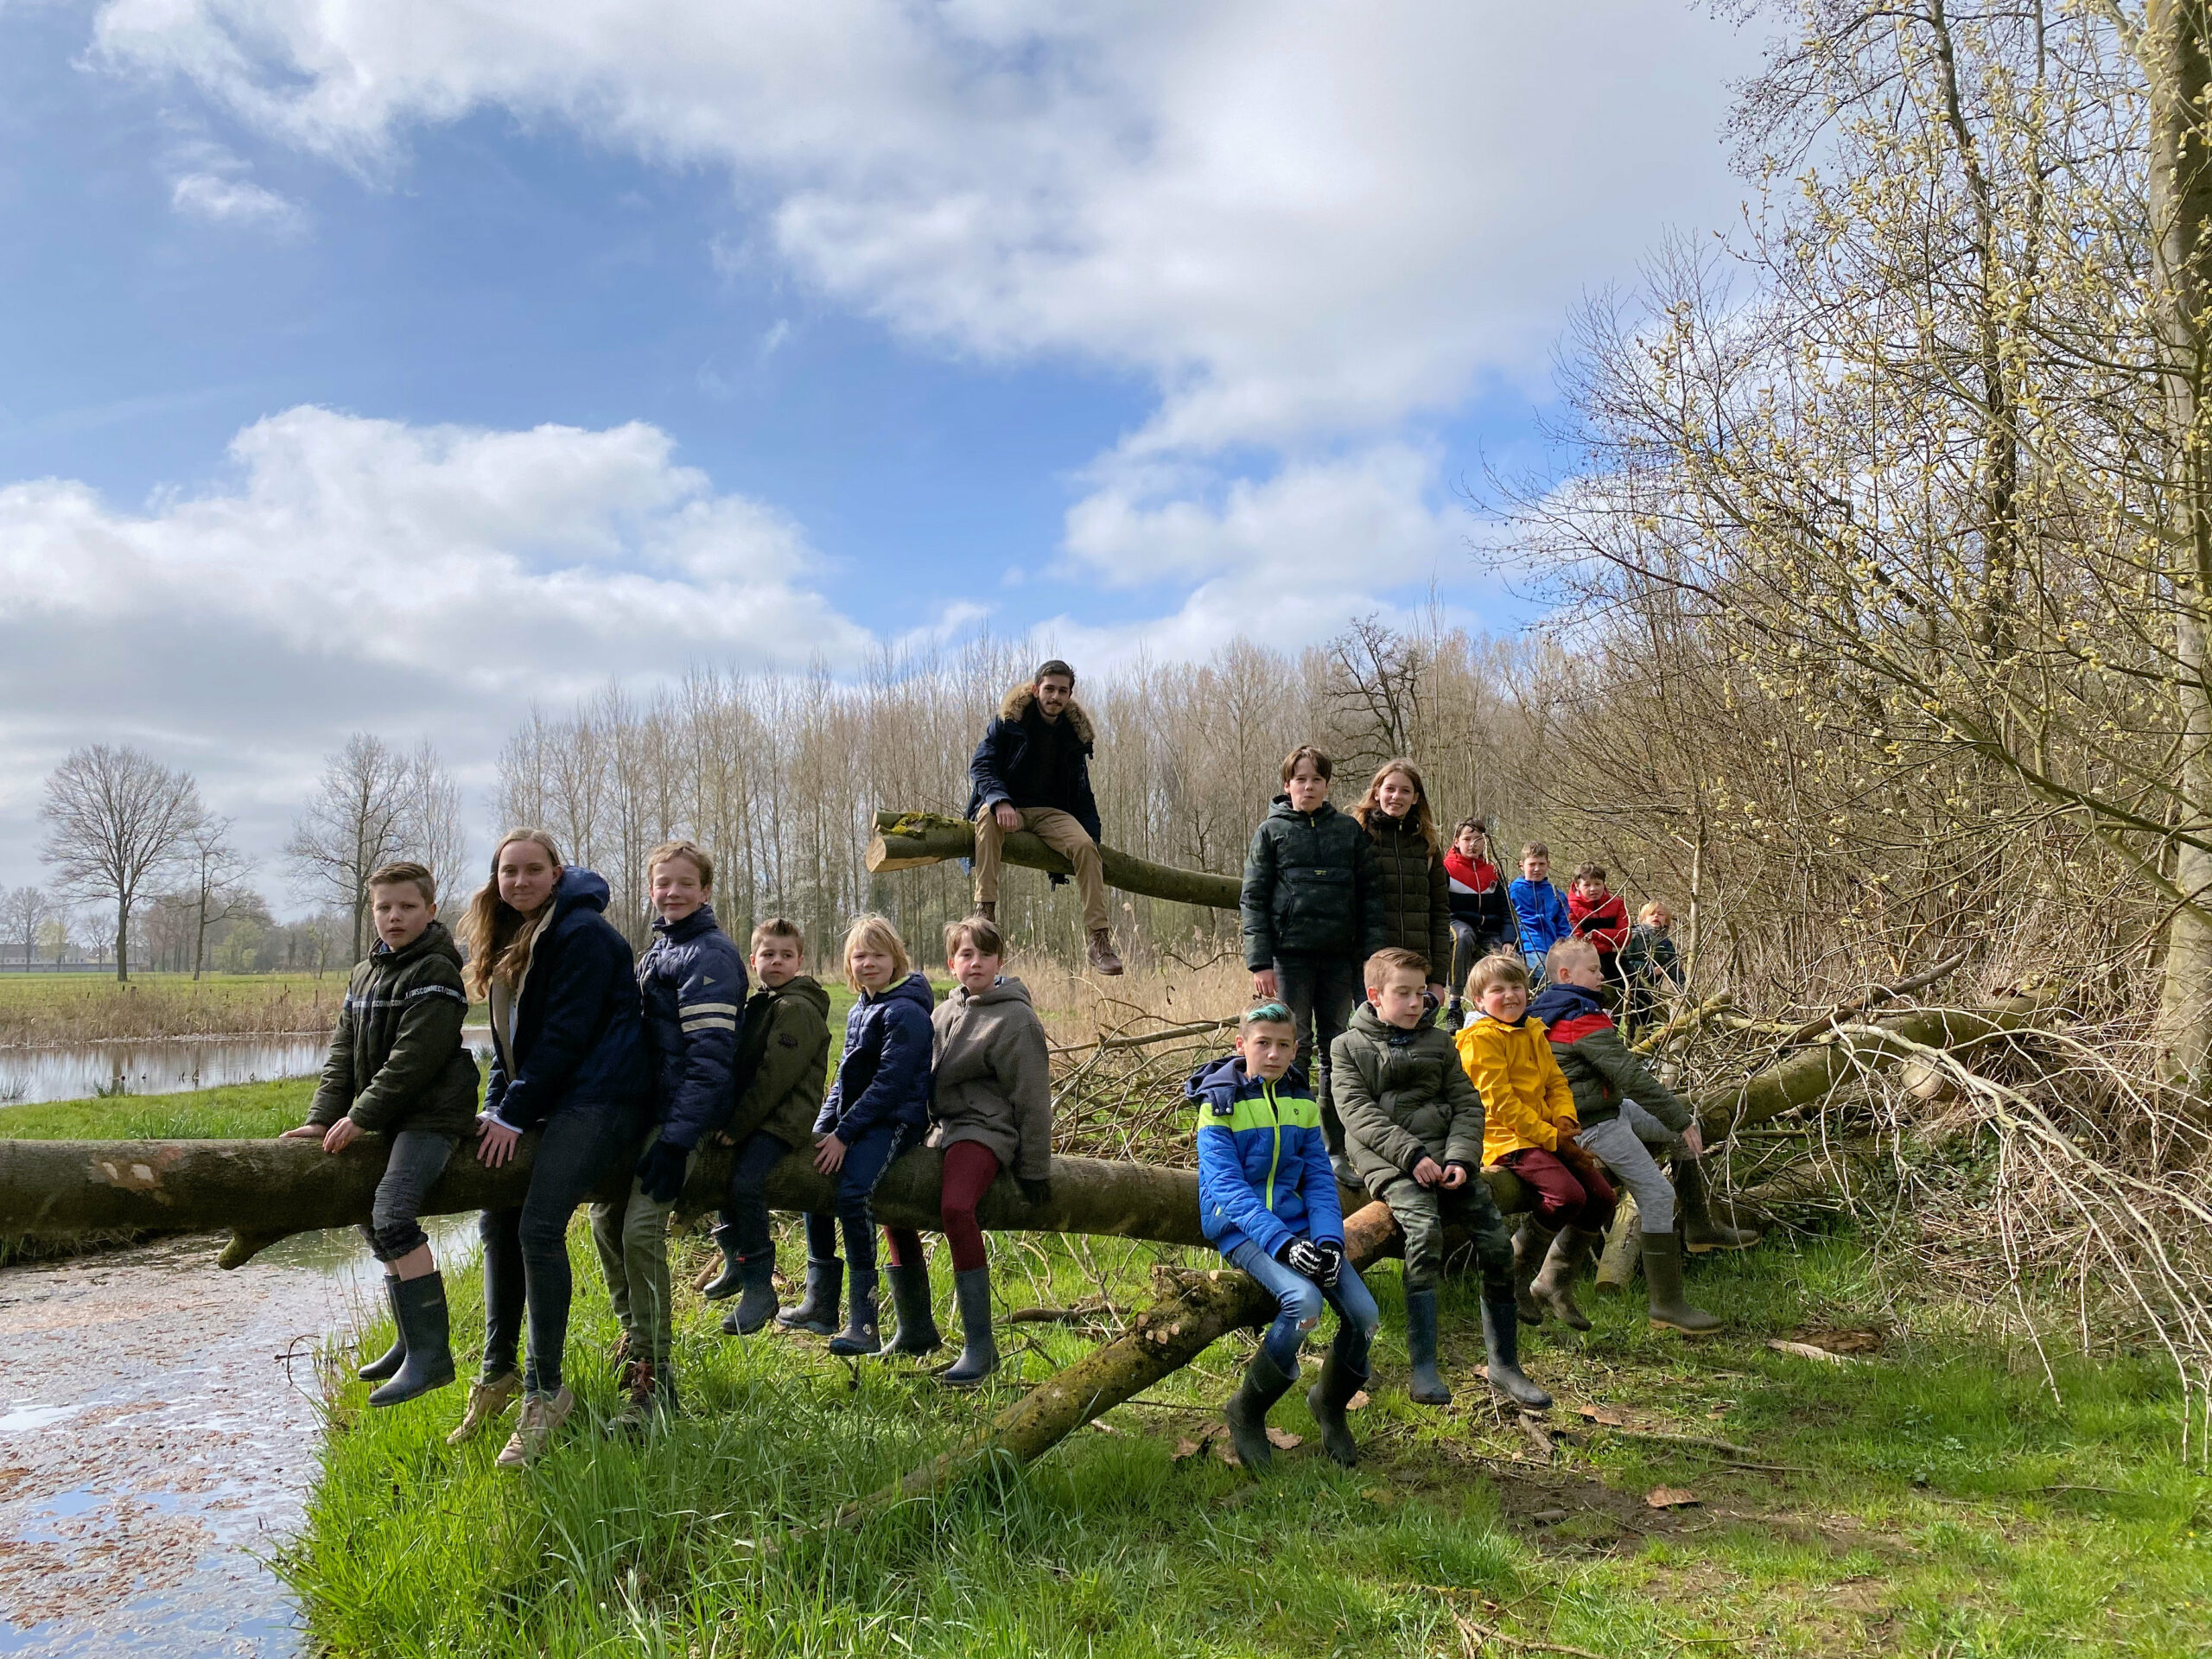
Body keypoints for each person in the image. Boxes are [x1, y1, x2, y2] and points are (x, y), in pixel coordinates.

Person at [448, 830, 647, 1470]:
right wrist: (496, 1107)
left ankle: (545, 1391)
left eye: (534, 870)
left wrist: (514, 1113)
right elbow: (510, 1046)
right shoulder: (516, 932)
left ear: (557, 874)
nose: (520, 881)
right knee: (497, 1216)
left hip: (604, 1098)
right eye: (509, 871)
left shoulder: (580, 934)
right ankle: (498, 1372)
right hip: (554, 1097)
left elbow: (565, 1037)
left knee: (538, 1227)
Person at [281, 861, 479, 1408]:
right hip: (393, 1116)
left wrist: (362, 1117)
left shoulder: (436, 972)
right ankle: (410, 1340)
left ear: (430, 911)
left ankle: (432, 1358)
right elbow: (342, 1055)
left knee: (392, 1215)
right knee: (369, 1217)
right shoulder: (364, 973)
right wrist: (322, 1118)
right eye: (384, 907)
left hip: (432, 1116)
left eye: (407, 907)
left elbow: (413, 1061)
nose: (394, 917)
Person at [1336, 948, 1549, 1412]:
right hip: (1389, 1160)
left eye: (1421, 993)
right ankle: (1424, 1367)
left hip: (1448, 1159)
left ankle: (1505, 1363)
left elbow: (1468, 1105)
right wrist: (1412, 1156)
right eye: (1403, 993)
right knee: (1425, 1234)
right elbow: (1357, 1114)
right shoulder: (1347, 1047)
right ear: (1375, 995)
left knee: (1496, 1242)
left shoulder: (1440, 1042)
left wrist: (1461, 1159)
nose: (1416, 1003)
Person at [589, 839, 745, 1431]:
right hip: (649, 1113)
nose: (672, 892)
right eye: (663, 883)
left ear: (705, 890)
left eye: (684, 883)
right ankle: (636, 1343)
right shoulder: (660, 950)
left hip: (688, 1117)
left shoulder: (711, 955)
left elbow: (710, 1063)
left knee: (641, 1229)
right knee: (604, 1220)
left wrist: (678, 1142)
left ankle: (654, 1380)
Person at [1188, 1001, 1379, 1470]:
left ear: (1296, 1049)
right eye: (1262, 1043)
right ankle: (1247, 1410)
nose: (1273, 1054)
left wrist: (1329, 1242)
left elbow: (1318, 1179)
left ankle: (1329, 1404)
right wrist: (1284, 1244)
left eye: (1283, 1045)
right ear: (1242, 1045)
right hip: (1240, 1226)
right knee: (1304, 1304)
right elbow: (1227, 1188)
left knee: (1366, 1315)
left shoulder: (1302, 1101)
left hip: (1298, 1226)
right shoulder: (1218, 1103)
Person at [880, 913, 1053, 1385]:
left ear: (999, 961)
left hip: (986, 1129)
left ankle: (980, 1348)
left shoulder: (1016, 1019)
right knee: (890, 1200)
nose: (975, 962)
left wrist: (1035, 1168)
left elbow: (1033, 1097)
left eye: (985, 954)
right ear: (951, 964)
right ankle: (916, 1329)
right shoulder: (943, 1012)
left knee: (956, 1208)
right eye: (965, 954)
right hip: (939, 1129)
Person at [1529, 939, 1726, 1333]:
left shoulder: (1558, 1008)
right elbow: (1630, 1075)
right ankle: (1667, 1305)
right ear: (1566, 975)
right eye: (1592, 970)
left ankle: (1700, 1227)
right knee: (1657, 1193)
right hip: (1592, 1125)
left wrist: (1679, 1121)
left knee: (1683, 1130)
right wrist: (1677, 1117)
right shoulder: (1576, 1018)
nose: (1601, 975)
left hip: (1610, 1110)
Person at [788, 915, 935, 1357]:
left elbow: (889, 1086)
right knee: (812, 1177)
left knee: (853, 1196)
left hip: (895, 1121)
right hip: (859, 1119)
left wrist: (845, 1134)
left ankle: (864, 1321)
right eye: (859, 956)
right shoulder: (860, 1009)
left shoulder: (906, 1012)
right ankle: (820, 1302)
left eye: (877, 955)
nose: (868, 963)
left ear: (896, 959)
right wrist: (823, 1129)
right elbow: (844, 1079)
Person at [1241, 745, 1385, 1160]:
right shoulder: (1270, 832)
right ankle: (1290, 1142)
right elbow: (1253, 899)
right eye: (1300, 779)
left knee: (1338, 1047)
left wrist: (1372, 958)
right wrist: (1260, 962)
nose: (1308, 787)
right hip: (1289, 959)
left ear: (1327, 785)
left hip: (1341, 959)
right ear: (1287, 785)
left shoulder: (1347, 831)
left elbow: (1370, 897)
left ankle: (1334, 1146)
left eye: (1316, 780)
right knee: (1293, 1045)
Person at [702, 918, 832, 1337]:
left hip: (782, 1119)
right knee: (723, 1173)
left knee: (746, 1183)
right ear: (752, 960)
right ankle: (735, 1262)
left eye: (786, 955)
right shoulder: (763, 1003)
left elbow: (775, 1077)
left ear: (800, 961)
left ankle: (760, 1287)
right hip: (758, 1116)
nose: (777, 962)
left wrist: (739, 1125)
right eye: (768, 954)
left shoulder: (797, 1009)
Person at [965, 658, 1123, 976]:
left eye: (1062, 691)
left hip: (1051, 813)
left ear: (1069, 695)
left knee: (1085, 847)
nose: (1055, 697)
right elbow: (982, 765)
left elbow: (1083, 792)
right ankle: (985, 914)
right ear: (1036, 689)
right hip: (1009, 806)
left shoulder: (1074, 735)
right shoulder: (1009, 722)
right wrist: (1000, 800)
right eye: (1049, 689)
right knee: (986, 817)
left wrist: (1092, 837)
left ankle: (1098, 940)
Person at [1350, 760, 1453, 1011]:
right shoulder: (1357, 838)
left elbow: (1440, 914)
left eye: (1405, 791)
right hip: (1371, 966)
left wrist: (1438, 979)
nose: (1397, 797)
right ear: (1377, 793)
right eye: (1390, 789)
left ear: (1415, 798)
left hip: (1418, 969)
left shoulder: (1427, 846)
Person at [1442, 817, 1513, 1027]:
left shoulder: (1493, 871)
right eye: (1467, 839)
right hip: (1457, 922)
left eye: (1478, 839)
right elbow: (1443, 907)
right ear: (1457, 841)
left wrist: (1509, 940)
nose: (1472, 844)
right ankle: (1454, 1005)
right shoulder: (1446, 869)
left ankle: (1496, 1010)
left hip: (1489, 928)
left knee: (1502, 958)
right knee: (1463, 937)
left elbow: (1506, 910)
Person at [1620, 900, 1686, 1039]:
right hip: (1628, 986)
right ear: (1643, 919)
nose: (1656, 916)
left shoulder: (1665, 944)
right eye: (1651, 914)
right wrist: (1649, 970)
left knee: (1650, 1015)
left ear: (1666, 921)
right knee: (1633, 1018)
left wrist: (1684, 989)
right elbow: (1625, 961)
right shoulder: (1633, 936)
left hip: (1649, 990)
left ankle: (1644, 1043)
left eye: (1660, 914)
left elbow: (1674, 969)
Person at [1509, 842, 1573, 979]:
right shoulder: (1513, 891)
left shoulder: (1556, 894)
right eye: (1532, 864)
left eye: (1541, 864)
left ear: (1548, 865)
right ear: (1521, 865)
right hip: (1528, 946)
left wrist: (1566, 948)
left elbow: (1564, 926)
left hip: (1553, 946)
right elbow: (1508, 921)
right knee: (1543, 973)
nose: (1537, 869)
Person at [1567, 862, 1631, 988]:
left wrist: (1595, 934)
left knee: (1634, 988)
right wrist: (1609, 948)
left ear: (1604, 884)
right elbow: (1579, 941)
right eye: (1587, 885)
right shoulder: (1569, 907)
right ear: (1577, 886)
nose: (1593, 889)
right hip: (1584, 961)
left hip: (1617, 960)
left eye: (1597, 884)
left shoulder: (1617, 903)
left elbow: (1624, 936)